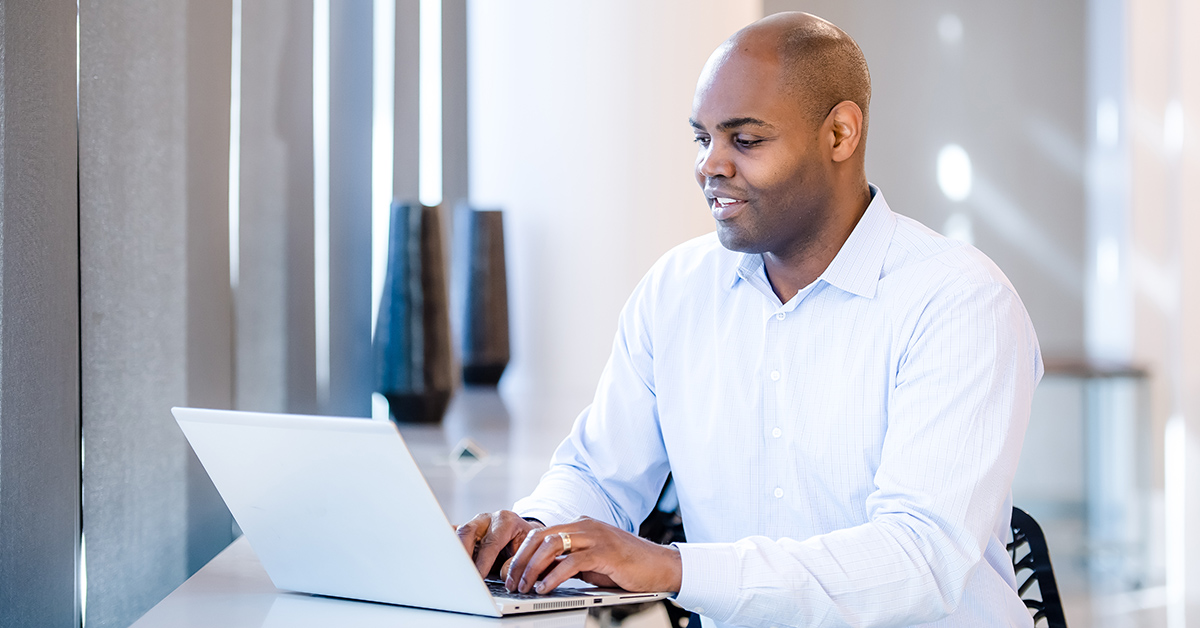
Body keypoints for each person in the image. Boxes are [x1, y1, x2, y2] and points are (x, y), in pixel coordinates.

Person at [457, 11, 1042, 628]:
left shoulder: (960, 301)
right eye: (701, 139)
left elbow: (918, 560)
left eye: (746, 140)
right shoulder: (676, 290)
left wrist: (674, 568)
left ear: (841, 134)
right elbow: (598, 475)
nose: (711, 164)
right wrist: (537, 532)